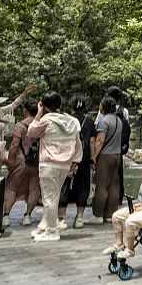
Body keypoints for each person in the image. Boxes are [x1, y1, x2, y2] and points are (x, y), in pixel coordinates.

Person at [27, 90, 82, 242]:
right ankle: (45, 225)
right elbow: (78, 143)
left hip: (49, 163)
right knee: (54, 196)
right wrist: (75, 161)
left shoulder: (46, 120)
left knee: (49, 198)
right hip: (65, 164)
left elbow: (31, 132)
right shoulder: (72, 121)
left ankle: (52, 231)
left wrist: (38, 113)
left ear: (44, 105)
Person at [4, 100, 43, 226]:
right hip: (36, 161)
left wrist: (10, 161)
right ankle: (27, 216)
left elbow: (14, 145)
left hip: (21, 160)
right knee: (34, 187)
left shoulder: (20, 126)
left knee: (11, 187)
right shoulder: (42, 125)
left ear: (25, 111)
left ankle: (6, 216)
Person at [58, 96, 94, 229]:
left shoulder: (67, 120)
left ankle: (61, 219)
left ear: (71, 106)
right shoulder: (89, 121)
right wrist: (93, 157)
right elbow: (91, 141)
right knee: (83, 187)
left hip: (67, 159)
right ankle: (79, 218)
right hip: (83, 159)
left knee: (64, 187)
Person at [88, 95, 124, 225]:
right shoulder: (118, 120)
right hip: (117, 155)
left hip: (105, 155)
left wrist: (93, 156)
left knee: (102, 185)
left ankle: (98, 214)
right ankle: (110, 214)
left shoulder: (104, 121)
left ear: (103, 107)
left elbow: (100, 140)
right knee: (114, 185)